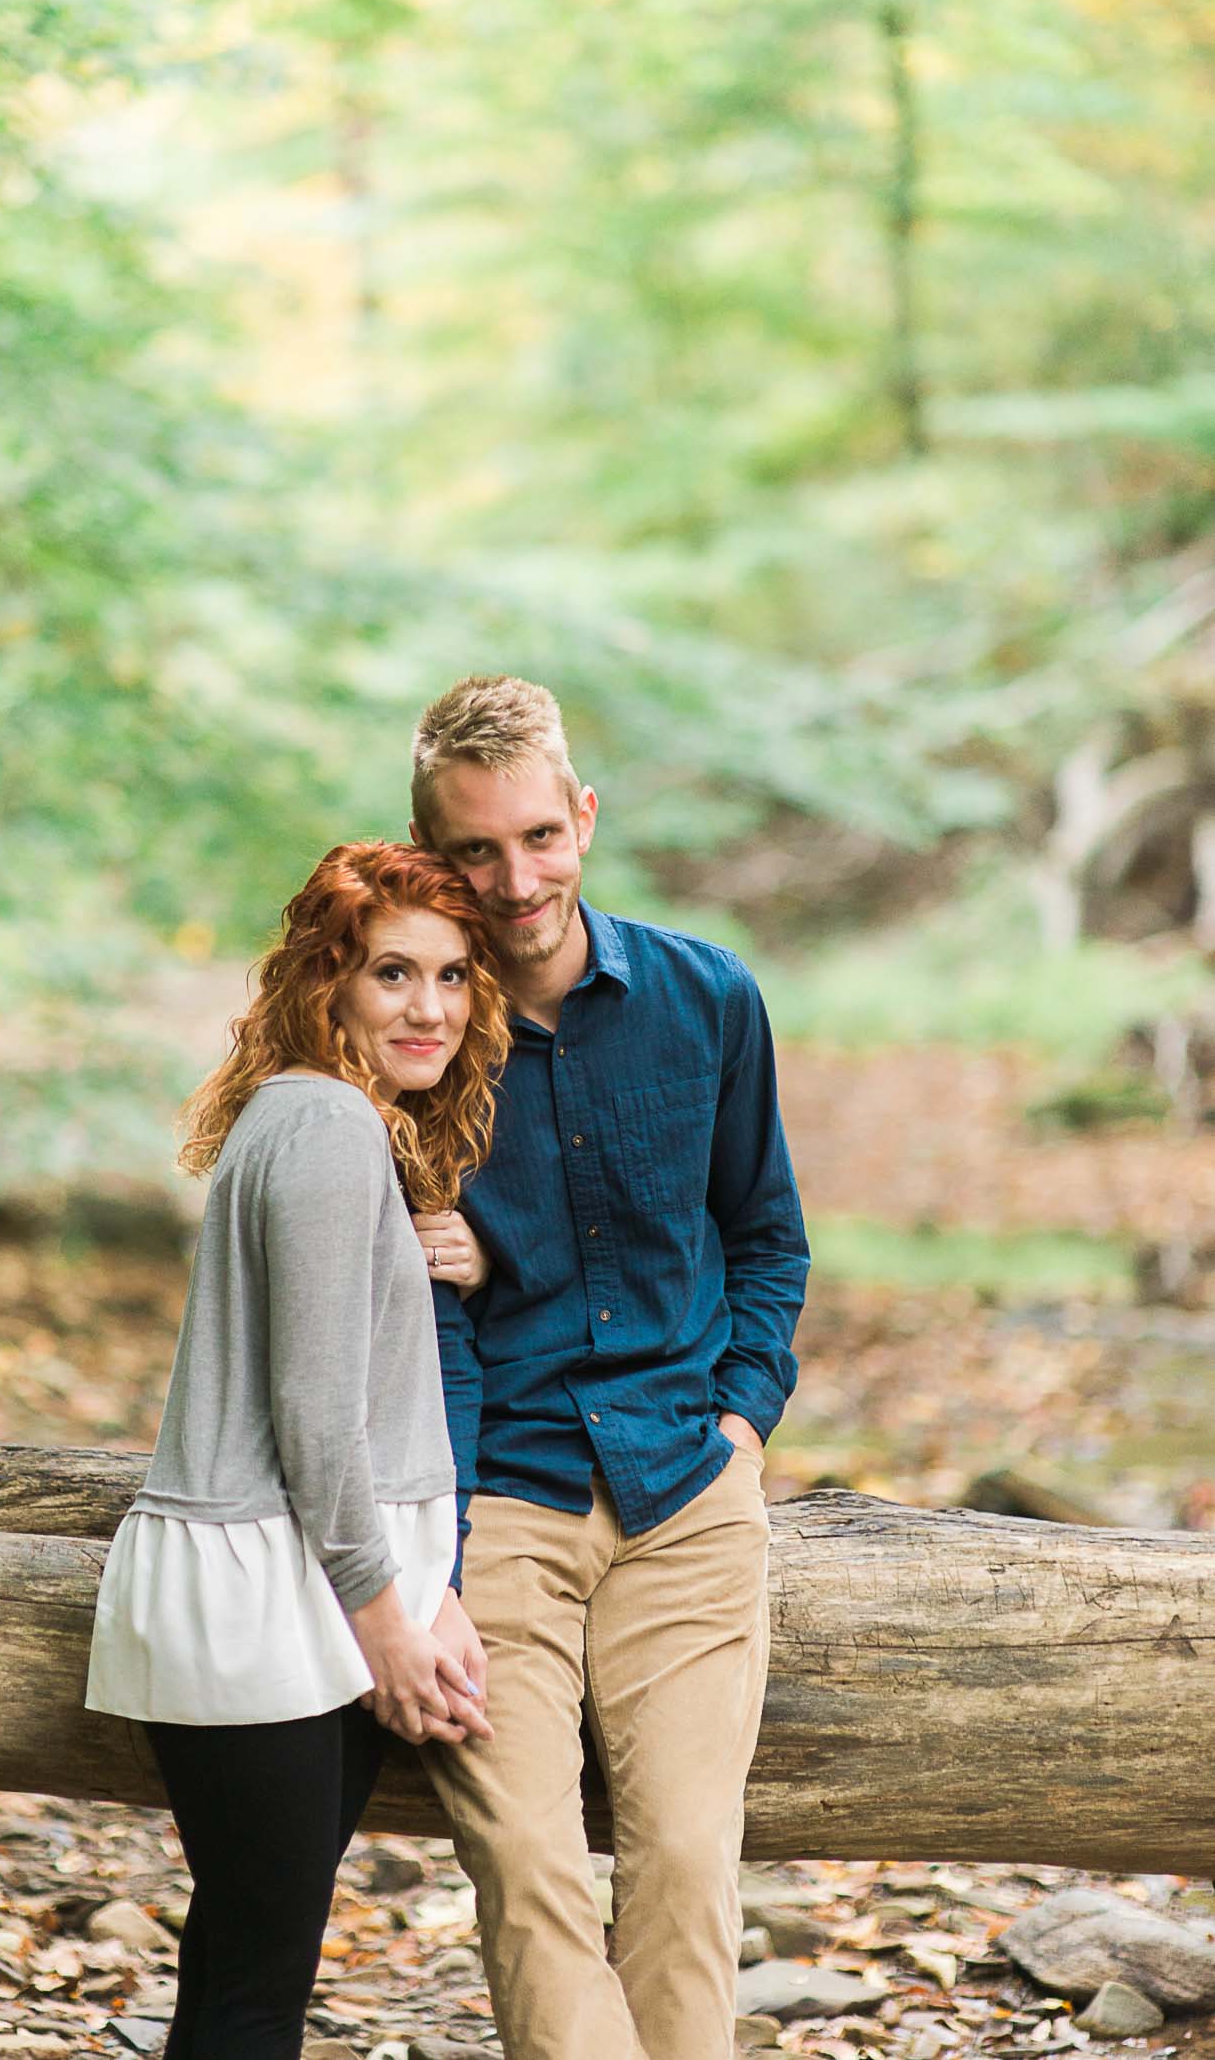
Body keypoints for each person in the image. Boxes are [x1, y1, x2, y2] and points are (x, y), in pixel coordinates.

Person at [407, 676, 810, 2060]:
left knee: (688, 1862)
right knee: (526, 1868)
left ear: (583, 816)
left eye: (536, 835)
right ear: (430, 849)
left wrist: (745, 1424)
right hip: (498, 1498)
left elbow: (767, 1235)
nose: (513, 879)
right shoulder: (413, 1037)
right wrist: (434, 1542)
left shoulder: (709, 998)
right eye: (473, 847)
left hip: (686, 1488)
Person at [85, 840, 510, 2060]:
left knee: (235, 1965)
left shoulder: (309, 1118)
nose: (429, 1007)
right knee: (257, 1995)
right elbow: (316, 1417)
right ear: (329, 986)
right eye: (392, 973)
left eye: (452, 975)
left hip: (288, 1592)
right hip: (272, 1602)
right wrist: (396, 1617)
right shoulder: (326, 1128)